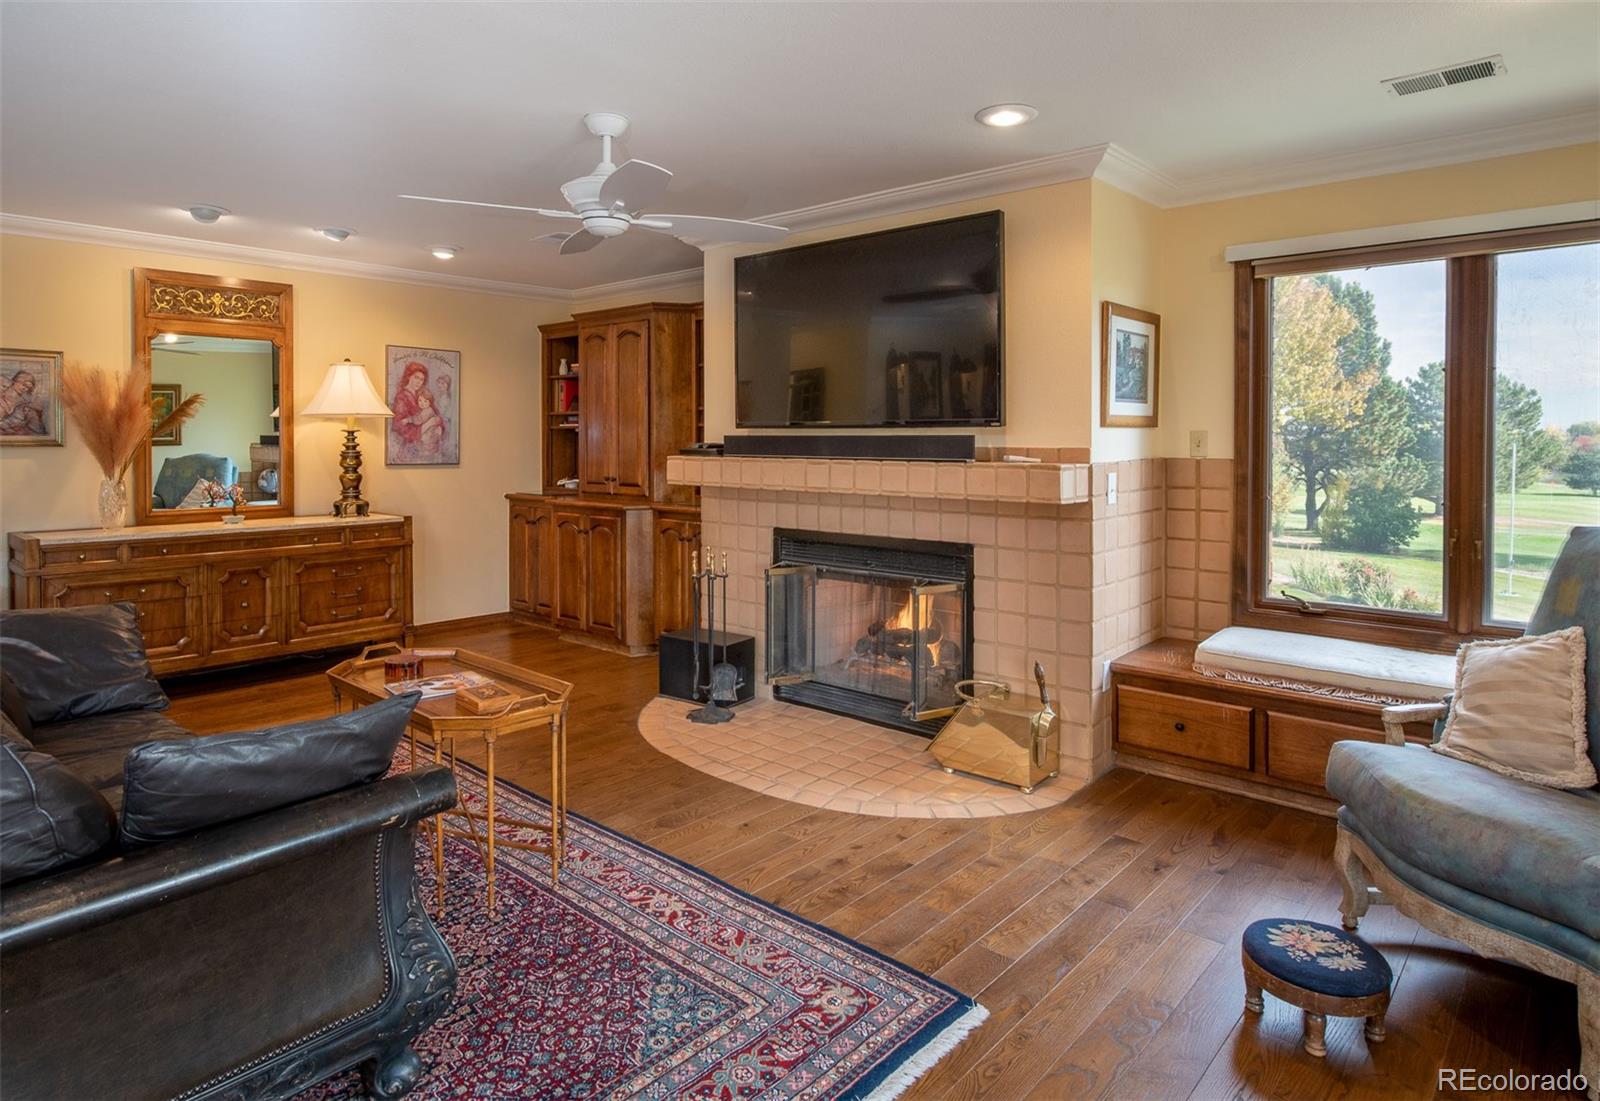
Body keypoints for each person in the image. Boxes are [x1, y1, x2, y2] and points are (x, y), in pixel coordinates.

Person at [390, 361, 444, 459]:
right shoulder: (401, 397)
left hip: (430, 443)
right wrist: (426, 425)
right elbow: (398, 426)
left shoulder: (423, 394)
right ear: (409, 376)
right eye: (416, 377)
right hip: (411, 447)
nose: (419, 382)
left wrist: (439, 426)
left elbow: (435, 414)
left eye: (422, 379)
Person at [0, 370, 47, 437]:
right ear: (15, 381)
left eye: (28, 388)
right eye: (24, 385)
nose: (25, 389)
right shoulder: (2, 394)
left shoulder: (25, 403)